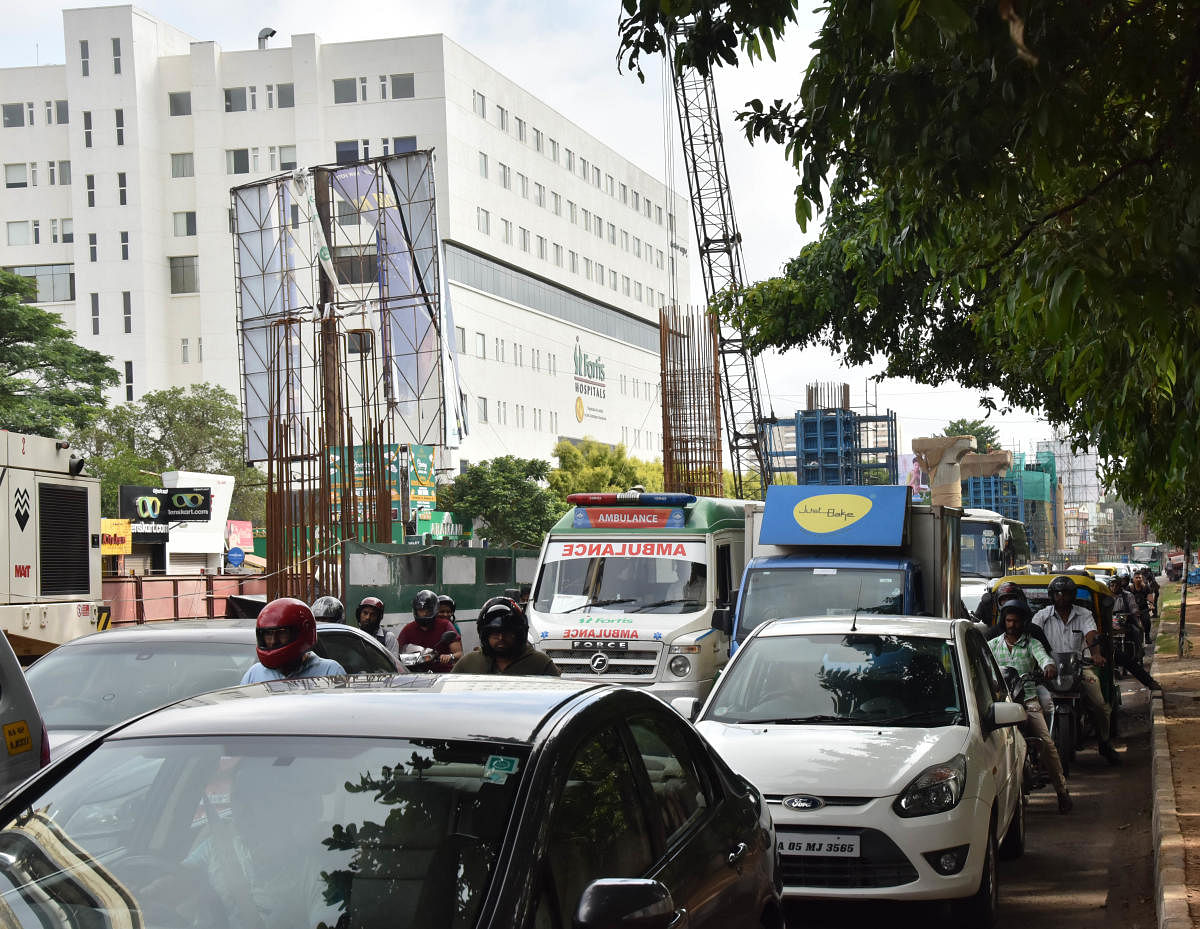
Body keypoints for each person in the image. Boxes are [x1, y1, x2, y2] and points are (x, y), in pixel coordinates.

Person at [987, 597, 1073, 812]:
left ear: (1023, 622)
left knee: (1046, 742)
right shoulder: (992, 645)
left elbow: (1044, 658)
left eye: (1016, 621)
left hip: (1028, 699)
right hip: (1001, 703)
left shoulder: (1032, 643)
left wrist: (1049, 667)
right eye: (1008, 621)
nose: (1012, 625)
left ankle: (1062, 791)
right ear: (1003, 622)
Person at [1032, 576, 1120, 764]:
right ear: (1052, 595)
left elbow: (1091, 635)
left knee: (1100, 705)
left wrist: (1095, 654)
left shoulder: (1084, 614)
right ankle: (1033, 750)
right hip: (1048, 670)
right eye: (1058, 593)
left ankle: (1104, 742)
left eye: (1066, 593)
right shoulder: (1042, 616)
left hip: (1079, 668)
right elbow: (1033, 638)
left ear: (1073, 595)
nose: (1062, 597)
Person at [240, 598, 345, 683]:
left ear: (302, 632)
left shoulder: (330, 672)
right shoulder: (254, 675)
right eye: (268, 634)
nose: (273, 641)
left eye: (281, 633)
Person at [452, 597, 560, 676]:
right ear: (485, 635)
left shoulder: (540, 663)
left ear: (519, 635)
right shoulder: (469, 663)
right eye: (494, 633)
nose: (501, 638)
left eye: (507, 633)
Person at [395, 589, 462, 670]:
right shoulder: (408, 629)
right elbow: (396, 653)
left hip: (442, 673)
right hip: (416, 673)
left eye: (427, 611)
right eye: (420, 610)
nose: (424, 614)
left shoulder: (445, 625)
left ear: (434, 610)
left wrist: (449, 656)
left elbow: (459, 653)